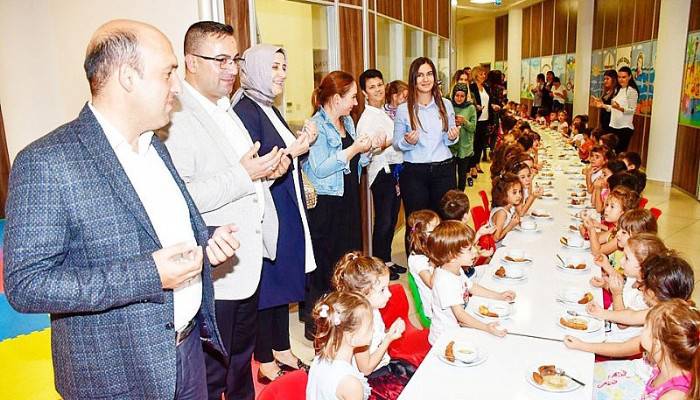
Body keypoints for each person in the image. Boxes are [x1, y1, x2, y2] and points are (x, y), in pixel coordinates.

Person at [3, 20, 241, 400]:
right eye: (168, 73)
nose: (177, 87)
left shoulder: (155, 146)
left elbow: (156, 233)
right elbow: (26, 285)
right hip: (116, 378)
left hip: (187, 353)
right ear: (128, 77)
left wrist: (205, 241)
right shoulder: (47, 162)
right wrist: (150, 274)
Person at [162, 23, 289, 399]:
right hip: (215, 270)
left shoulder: (224, 107)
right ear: (191, 62)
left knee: (239, 365)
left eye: (234, 59)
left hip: (244, 262)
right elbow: (179, 196)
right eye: (220, 60)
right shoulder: (176, 117)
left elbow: (243, 176)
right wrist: (244, 174)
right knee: (214, 374)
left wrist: (266, 173)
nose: (232, 69)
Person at [231, 44, 319, 382]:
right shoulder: (245, 110)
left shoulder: (268, 106)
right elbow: (257, 165)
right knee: (269, 284)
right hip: (267, 207)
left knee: (283, 278)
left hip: (285, 202)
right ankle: (265, 358)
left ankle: (282, 347)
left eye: (284, 67)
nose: (282, 74)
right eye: (274, 67)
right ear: (254, 68)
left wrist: (302, 144)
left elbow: (285, 151)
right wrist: (293, 150)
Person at [302, 71, 372, 339]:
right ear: (335, 98)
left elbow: (353, 163)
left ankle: (342, 315)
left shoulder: (348, 122)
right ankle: (317, 322)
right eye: (352, 97)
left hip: (348, 199)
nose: (355, 103)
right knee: (324, 264)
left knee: (346, 260)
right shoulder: (316, 126)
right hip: (326, 203)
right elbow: (320, 169)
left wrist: (366, 151)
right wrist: (353, 150)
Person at [393, 57, 459, 252]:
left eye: (429, 74)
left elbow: (449, 139)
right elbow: (397, 143)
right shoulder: (403, 109)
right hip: (414, 173)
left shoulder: (446, 105)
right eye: (420, 75)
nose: (425, 79)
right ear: (413, 79)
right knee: (417, 222)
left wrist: (453, 136)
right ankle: (416, 264)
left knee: (444, 221)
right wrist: (408, 141)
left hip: (444, 170)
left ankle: (442, 263)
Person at [332, 252, 414, 399]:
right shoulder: (360, 325)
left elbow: (375, 340)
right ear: (362, 294)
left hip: (381, 366)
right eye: (382, 290)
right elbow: (366, 369)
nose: (389, 294)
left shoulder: (372, 310)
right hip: (371, 380)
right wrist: (388, 338)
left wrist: (388, 333)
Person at [425, 221, 515, 344]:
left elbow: (471, 286)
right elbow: (460, 315)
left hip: (459, 327)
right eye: (469, 249)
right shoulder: (445, 281)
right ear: (452, 256)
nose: (475, 251)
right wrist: (486, 327)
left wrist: (499, 296)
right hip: (446, 338)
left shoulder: (455, 268)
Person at [356, 69, 405, 279]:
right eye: (372, 87)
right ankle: (379, 265)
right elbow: (366, 149)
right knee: (384, 221)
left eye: (379, 85)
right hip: (381, 173)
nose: (377, 90)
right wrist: (390, 142)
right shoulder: (367, 118)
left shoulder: (383, 113)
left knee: (392, 218)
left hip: (394, 170)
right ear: (364, 92)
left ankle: (387, 259)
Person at [306, 291, 373, 400]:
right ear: (352, 337)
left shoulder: (319, 357)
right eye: (370, 326)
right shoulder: (351, 384)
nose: (373, 330)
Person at [639, 300, 699, 399]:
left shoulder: (673, 396)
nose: (641, 330)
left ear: (657, 343)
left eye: (645, 326)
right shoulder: (666, 361)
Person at [407, 210, 441, 320]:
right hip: (435, 310)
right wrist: (436, 262)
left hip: (442, 299)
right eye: (435, 229)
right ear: (422, 235)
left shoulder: (431, 248)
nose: (440, 232)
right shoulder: (418, 260)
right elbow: (431, 283)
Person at [469, 65, 497, 177]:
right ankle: (472, 166)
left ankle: (477, 163)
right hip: (476, 118)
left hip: (485, 118)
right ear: (476, 75)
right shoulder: (472, 87)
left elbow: (488, 102)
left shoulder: (486, 87)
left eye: (484, 74)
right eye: (481, 74)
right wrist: (476, 106)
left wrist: (492, 106)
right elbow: (470, 101)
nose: (483, 76)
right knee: (474, 143)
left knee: (481, 143)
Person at [449, 83, 477, 188]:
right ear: (453, 95)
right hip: (450, 147)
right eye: (457, 95)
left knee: (462, 174)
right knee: (451, 175)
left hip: (465, 147)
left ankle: (460, 194)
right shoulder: (449, 106)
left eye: (462, 96)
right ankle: (452, 195)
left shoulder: (471, 108)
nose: (459, 98)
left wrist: (464, 122)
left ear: (466, 96)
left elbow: (473, 128)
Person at [605, 66, 639, 153]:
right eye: (619, 77)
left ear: (629, 77)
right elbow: (613, 108)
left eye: (623, 77)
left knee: (619, 154)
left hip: (624, 128)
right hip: (613, 125)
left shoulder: (631, 91)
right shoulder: (618, 89)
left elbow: (632, 110)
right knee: (610, 152)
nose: (621, 79)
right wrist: (603, 105)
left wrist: (620, 108)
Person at [489, 172, 523, 243]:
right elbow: (495, 239)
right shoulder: (502, 213)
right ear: (503, 194)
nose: (519, 195)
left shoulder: (510, 207)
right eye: (514, 192)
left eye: (519, 192)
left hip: (509, 240)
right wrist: (511, 225)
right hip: (500, 246)